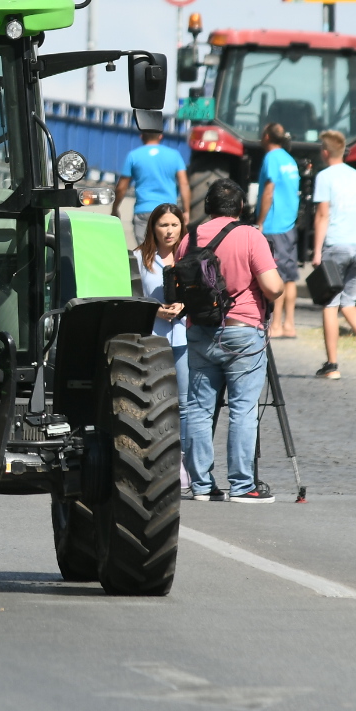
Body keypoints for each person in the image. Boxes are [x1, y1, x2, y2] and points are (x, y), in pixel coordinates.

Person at [180, 178, 285, 503]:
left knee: (199, 408)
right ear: (240, 207)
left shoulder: (191, 237)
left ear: (207, 206)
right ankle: (242, 485)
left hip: (200, 330)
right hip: (243, 330)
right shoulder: (250, 235)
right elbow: (272, 287)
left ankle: (200, 486)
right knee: (242, 408)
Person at [312, 129, 356, 379]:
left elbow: (323, 214)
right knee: (349, 302)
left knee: (330, 305)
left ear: (324, 152)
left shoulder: (324, 177)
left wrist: (317, 250)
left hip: (336, 246)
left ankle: (331, 366)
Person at [134, 203, 191, 493]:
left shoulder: (190, 258)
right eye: (163, 225)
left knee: (182, 404)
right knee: (152, 404)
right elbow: (130, 298)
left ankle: (180, 464)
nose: (169, 231)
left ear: (182, 226)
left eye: (174, 225)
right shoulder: (138, 258)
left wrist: (185, 304)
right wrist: (154, 311)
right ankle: (151, 462)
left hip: (183, 339)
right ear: (152, 228)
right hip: (152, 340)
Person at [256, 122, 302, 338]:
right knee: (290, 277)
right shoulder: (289, 159)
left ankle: (274, 326)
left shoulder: (271, 158)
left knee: (277, 276)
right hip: (289, 224)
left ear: (266, 137)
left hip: (274, 225)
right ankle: (290, 325)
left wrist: (260, 220)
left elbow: (269, 190)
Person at [115, 129, 191, 248]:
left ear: (141, 136)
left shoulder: (134, 155)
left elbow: (122, 187)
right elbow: (184, 184)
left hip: (143, 210)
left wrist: (115, 208)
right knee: (167, 253)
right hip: (168, 211)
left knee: (145, 253)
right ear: (160, 136)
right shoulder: (174, 155)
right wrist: (186, 211)